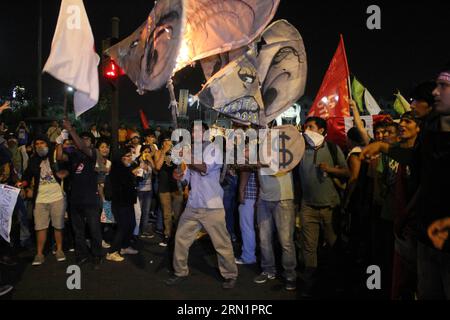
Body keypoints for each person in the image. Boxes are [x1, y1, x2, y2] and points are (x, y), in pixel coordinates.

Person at [361, 63, 450, 299]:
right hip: (425, 235)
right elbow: (422, 168)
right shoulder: (431, 132)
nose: (435, 92)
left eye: (443, 86)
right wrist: (382, 146)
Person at [166, 122, 238, 289]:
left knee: (221, 243)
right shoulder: (191, 151)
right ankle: (180, 272)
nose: (194, 133)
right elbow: (185, 178)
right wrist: (178, 175)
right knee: (181, 239)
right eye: (192, 131)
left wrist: (187, 157)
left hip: (212, 206)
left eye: (198, 131)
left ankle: (230, 274)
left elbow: (204, 167)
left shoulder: (215, 150)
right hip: (193, 205)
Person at [297, 117, 350, 296]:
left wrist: (331, 169)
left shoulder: (333, 149)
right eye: (305, 127)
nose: (307, 130)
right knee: (309, 247)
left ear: (321, 130)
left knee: (334, 247)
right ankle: (309, 283)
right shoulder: (299, 150)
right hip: (308, 207)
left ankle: (337, 282)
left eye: (311, 127)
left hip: (330, 207)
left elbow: (347, 172)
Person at [56, 120, 103, 268]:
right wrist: (59, 141)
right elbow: (59, 157)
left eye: (87, 138)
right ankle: (81, 254)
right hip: (75, 199)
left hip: (90, 199)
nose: (83, 141)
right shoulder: (74, 154)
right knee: (78, 230)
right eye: (81, 138)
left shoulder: (93, 153)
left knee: (94, 229)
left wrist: (70, 129)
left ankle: (96, 254)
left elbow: (82, 146)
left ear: (92, 143)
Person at [21, 134, 67, 266]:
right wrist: (22, 185)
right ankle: (39, 253)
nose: (40, 146)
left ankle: (59, 250)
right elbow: (27, 176)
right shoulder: (33, 160)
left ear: (47, 144)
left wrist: (65, 174)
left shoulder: (55, 157)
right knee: (40, 227)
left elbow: (67, 167)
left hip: (57, 197)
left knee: (58, 225)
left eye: (42, 143)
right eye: (37, 144)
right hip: (40, 198)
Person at [106, 147, 139, 262]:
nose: (130, 158)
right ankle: (112, 252)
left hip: (128, 201)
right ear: (121, 158)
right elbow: (122, 184)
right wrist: (133, 173)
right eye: (128, 156)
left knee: (131, 224)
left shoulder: (126, 168)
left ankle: (125, 246)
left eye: (131, 156)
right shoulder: (117, 169)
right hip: (120, 203)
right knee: (122, 226)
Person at [154, 136, 183, 247]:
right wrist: (164, 152)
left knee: (178, 213)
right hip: (163, 187)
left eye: (170, 143)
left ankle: (178, 235)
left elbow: (181, 167)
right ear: (162, 144)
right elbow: (157, 166)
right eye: (166, 142)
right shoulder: (158, 152)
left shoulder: (175, 153)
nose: (169, 144)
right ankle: (167, 235)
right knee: (166, 214)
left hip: (176, 186)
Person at [135, 145, 155, 238]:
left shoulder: (150, 162)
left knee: (146, 211)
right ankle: (136, 231)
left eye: (148, 152)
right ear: (141, 152)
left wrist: (151, 160)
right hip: (140, 190)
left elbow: (156, 171)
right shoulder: (138, 161)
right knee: (139, 211)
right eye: (145, 151)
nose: (146, 153)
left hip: (149, 190)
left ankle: (144, 230)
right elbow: (139, 176)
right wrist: (142, 165)